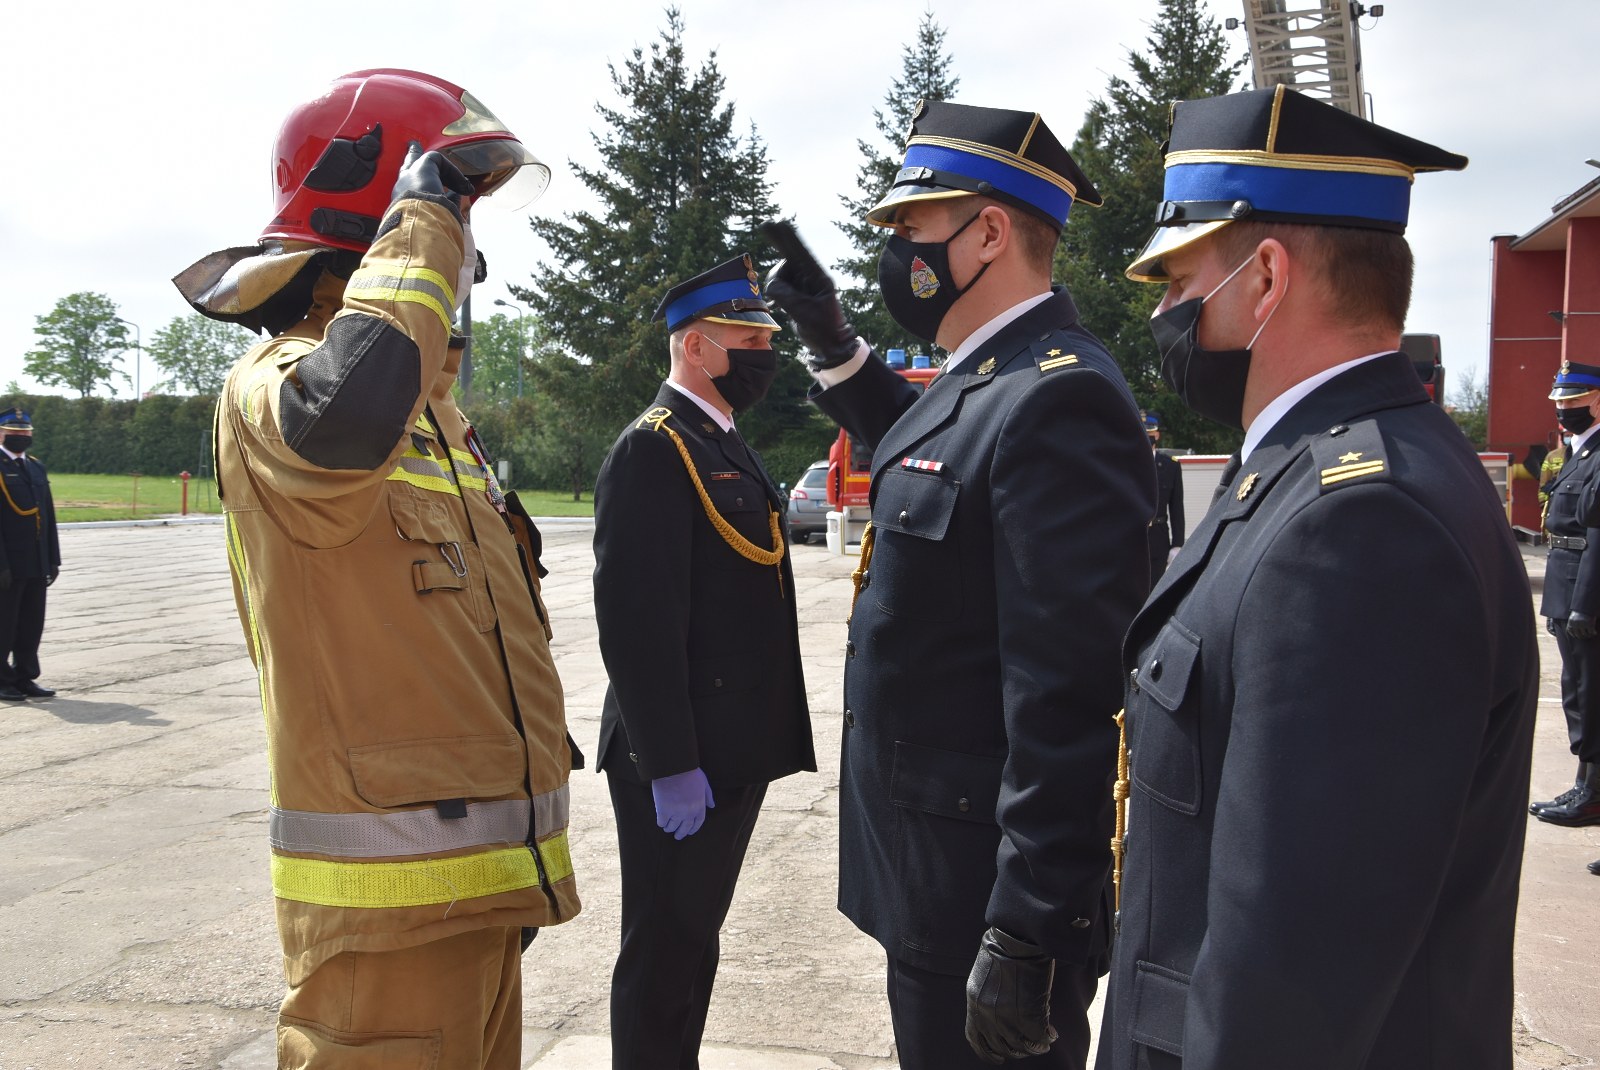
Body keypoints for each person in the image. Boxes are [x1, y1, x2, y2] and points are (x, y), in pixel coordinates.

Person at [1098, 86, 1538, 1070]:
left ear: (1264, 276)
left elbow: (1289, 974)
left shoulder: (1360, 524)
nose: (1164, 312)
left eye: (1179, 280)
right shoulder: (1324, 470)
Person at [173, 70, 578, 1069]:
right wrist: (427, 215)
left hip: (480, 894)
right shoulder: (277, 383)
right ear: (390, 220)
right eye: (454, 219)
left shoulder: (439, 422)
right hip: (387, 919)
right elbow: (341, 418)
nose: (466, 254)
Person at [763, 99, 1154, 1068]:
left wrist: (1028, 925)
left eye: (912, 224)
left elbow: (1068, 696)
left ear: (988, 234)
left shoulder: (1059, 395)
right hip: (937, 882)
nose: (897, 248)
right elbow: (935, 446)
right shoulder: (991, 376)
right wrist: (834, 344)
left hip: (987, 901)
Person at [591, 253, 816, 1068]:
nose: (765, 355)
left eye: (766, 339)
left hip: (729, 747)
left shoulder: (719, 439)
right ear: (695, 346)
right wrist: (669, 762)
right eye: (749, 341)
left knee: (693, 942)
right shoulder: (655, 447)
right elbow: (635, 624)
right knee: (661, 952)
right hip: (682, 754)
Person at [1531, 360, 1600, 830]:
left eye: (1574, 400)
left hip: (1584, 592)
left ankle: (1592, 794)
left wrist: (1585, 604)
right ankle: (1585, 786)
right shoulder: (1577, 452)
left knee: (1591, 696)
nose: (1564, 409)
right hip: (1564, 583)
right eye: (1559, 400)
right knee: (1578, 692)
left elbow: (1597, 534)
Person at [0, 408, 59, 702]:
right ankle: (2, 680)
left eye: (25, 432)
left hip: (35, 561)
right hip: (8, 564)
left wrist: (53, 559)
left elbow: (47, 516)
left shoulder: (36, 467)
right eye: (14, 432)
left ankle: (25, 676)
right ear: (1, 434)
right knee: (4, 625)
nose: (21, 436)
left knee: (31, 624)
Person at [1143, 412, 1185, 583]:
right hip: (1132, 539)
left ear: (1157, 435)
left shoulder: (1170, 466)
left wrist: (1177, 544)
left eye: (1150, 433)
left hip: (1158, 537)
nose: (1147, 437)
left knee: (1155, 589)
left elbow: (1176, 507)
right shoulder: (1126, 464)